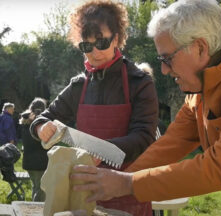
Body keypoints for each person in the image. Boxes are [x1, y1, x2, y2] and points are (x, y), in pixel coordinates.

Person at [69, 0, 221, 215]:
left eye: (167, 59)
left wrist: (127, 184)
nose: (164, 71)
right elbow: (172, 144)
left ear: (200, 48)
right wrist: (119, 179)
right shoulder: (203, 85)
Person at [30, 0, 158, 215]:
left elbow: (144, 136)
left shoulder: (140, 82)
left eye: (101, 43)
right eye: (86, 46)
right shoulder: (79, 85)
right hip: (85, 193)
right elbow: (42, 117)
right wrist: (41, 127)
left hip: (129, 190)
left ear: (116, 38)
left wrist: (103, 150)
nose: (94, 52)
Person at [19, 97, 48, 201]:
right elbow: (45, 143)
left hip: (29, 160)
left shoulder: (25, 120)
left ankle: (33, 209)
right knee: (40, 190)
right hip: (39, 161)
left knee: (36, 187)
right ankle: (37, 212)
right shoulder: (40, 122)